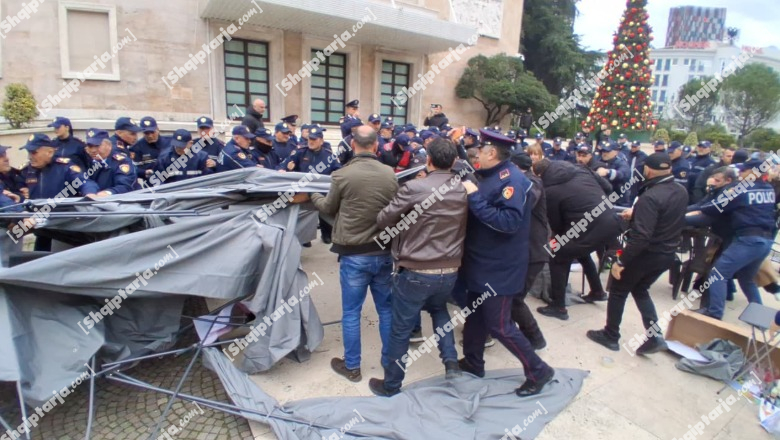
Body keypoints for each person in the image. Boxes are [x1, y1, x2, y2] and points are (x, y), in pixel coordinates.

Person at [458, 129, 555, 397]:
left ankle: (539, 371)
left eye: (480, 150)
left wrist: (473, 196)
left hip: (500, 268)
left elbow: (509, 223)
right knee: (475, 317)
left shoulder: (513, 179)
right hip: (480, 262)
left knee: (501, 326)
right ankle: (473, 362)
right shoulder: (489, 174)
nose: (476, 153)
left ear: (491, 152)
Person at [369, 138, 467, 396]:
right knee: (439, 310)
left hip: (415, 270)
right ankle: (451, 362)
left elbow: (382, 220)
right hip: (450, 270)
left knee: (400, 329)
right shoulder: (463, 189)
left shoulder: (414, 187)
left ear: (428, 160)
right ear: (454, 161)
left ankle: (391, 385)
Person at [306, 126, 398, 382]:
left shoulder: (341, 175)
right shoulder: (390, 174)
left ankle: (353, 366)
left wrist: (312, 193)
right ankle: (390, 363)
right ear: (376, 146)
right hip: (383, 252)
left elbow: (328, 207)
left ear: (353, 145)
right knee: (387, 310)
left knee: (351, 312)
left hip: (354, 255)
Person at [587, 153, 688, 353]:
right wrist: (638, 214)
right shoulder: (680, 190)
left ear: (648, 170)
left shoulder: (649, 196)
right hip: (667, 253)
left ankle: (610, 334)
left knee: (618, 290)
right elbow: (666, 215)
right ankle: (654, 336)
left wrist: (621, 261)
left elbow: (641, 237)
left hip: (646, 253)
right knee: (640, 289)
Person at [686, 159, 777, 319]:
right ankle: (760, 318)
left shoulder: (742, 190)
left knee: (718, 274)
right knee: (746, 278)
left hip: (748, 239)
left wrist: (697, 209)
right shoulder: (768, 188)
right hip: (766, 240)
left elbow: (714, 208)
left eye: (743, 171)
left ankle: (714, 312)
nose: (740, 174)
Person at [535, 159, 622, 320]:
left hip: (588, 226)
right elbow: (609, 188)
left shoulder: (550, 190)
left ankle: (558, 307)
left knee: (558, 256)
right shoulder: (582, 169)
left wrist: (555, 243)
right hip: (611, 221)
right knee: (581, 251)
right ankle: (597, 291)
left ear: (540, 175)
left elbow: (557, 225)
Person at [19, 134, 100, 250]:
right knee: (39, 261)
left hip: (62, 229)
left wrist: (90, 194)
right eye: (28, 152)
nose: (30, 156)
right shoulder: (27, 170)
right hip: (40, 228)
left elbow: (85, 182)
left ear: (50, 152)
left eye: (34, 152)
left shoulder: (64, 167)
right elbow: (15, 189)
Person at [509, 153, 548, 350]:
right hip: (523, 251)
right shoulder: (523, 181)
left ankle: (535, 338)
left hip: (533, 253)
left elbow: (523, 204)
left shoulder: (533, 184)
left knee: (515, 299)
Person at [279, 126, 341, 244]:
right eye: (309, 139)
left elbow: (339, 170)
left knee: (325, 212)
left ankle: (326, 234)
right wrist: (285, 169)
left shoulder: (329, 156)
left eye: (315, 139)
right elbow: (284, 164)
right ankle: (304, 238)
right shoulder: (300, 152)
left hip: (321, 193)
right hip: (302, 192)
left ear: (321, 141)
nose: (311, 142)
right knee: (303, 215)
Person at [83, 129, 139, 196]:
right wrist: (89, 192)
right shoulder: (86, 161)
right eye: (90, 146)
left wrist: (108, 193)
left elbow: (125, 186)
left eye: (97, 146)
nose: (93, 150)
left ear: (109, 146)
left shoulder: (121, 162)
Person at [131, 116, 172, 182]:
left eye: (152, 132)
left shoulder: (170, 142)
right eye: (146, 133)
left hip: (172, 181)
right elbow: (133, 169)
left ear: (158, 129)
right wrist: (144, 172)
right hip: (152, 183)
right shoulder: (136, 148)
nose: (150, 136)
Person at [595, 141, 632, 207]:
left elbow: (623, 174)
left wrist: (608, 172)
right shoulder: (598, 161)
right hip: (601, 200)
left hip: (618, 201)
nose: (604, 154)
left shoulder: (621, 163)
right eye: (603, 151)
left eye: (607, 151)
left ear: (616, 152)